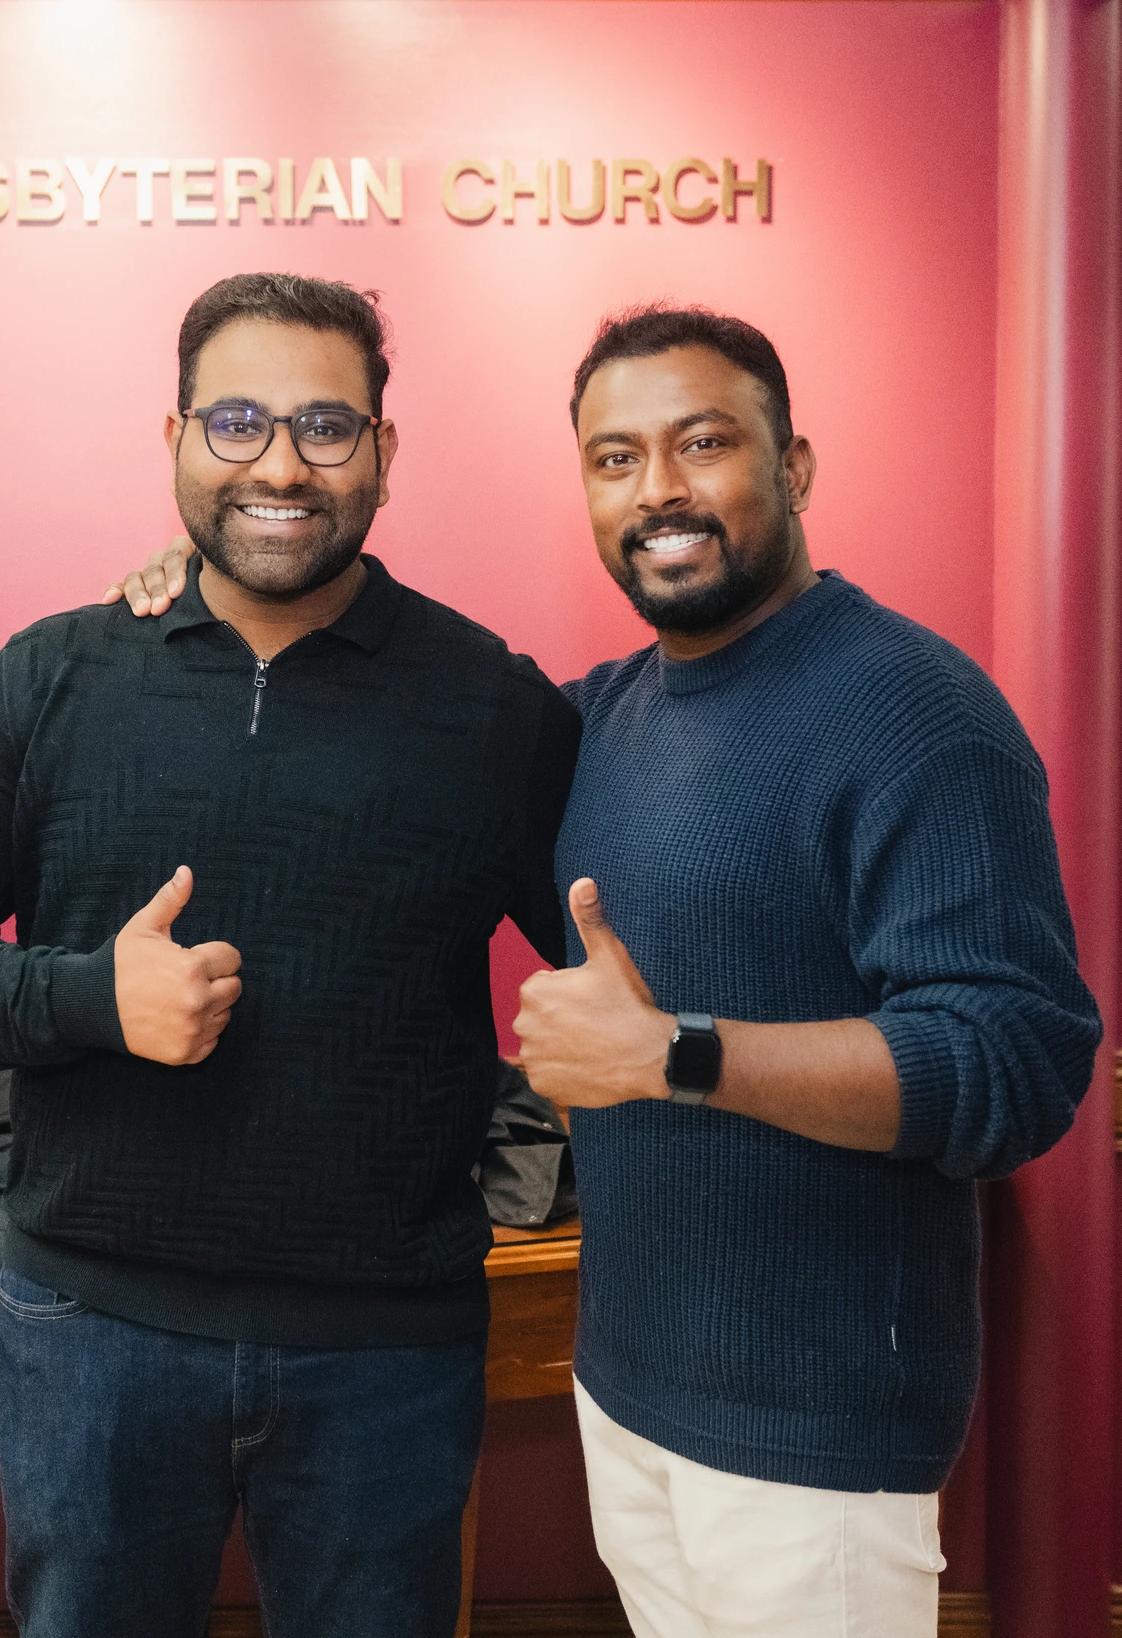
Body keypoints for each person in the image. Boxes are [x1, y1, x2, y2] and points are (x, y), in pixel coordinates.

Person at [104, 304, 1103, 1638]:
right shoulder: (600, 719)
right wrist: (215, 568)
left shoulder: (915, 713)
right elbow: (406, 702)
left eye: (704, 445)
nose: (661, 490)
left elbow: (1018, 1061)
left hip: (816, 1433)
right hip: (631, 1395)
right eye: (617, 457)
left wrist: (679, 1053)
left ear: (794, 466)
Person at [0, 272, 580, 1638]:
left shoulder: (492, 707)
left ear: (385, 452)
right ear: (173, 436)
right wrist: (87, 1001)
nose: (281, 463)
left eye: (325, 425)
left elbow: (615, 954)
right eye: (235, 421)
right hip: (92, 1340)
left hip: (388, 1357)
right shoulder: (53, 676)